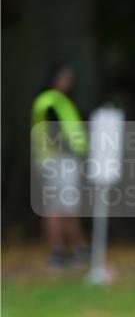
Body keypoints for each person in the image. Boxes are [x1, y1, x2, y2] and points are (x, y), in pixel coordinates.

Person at [31, 64, 89, 270]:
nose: (68, 82)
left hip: (61, 160)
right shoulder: (50, 101)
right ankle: (62, 249)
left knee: (64, 205)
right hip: (57, 160)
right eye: (64, 77)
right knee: (60, 206)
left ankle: (69, 249)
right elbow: (53, 132)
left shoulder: (60, 101)